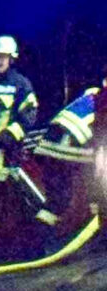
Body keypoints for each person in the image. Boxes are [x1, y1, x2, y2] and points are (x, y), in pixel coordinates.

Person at [0, 33, 53, 238]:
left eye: (4, 57)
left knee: (2, 196)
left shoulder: (21, 85)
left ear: (12, 59)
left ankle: (5, 238)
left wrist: (8, 135)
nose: (0, 61)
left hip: (4, 153)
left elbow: (29, 115)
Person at [26, 55, 104, 234]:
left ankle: (39, 233)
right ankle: (94, 228)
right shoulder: (102, 100)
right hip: (74, 147)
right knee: (92, 187)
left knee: (58, 197)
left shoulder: (91, 94)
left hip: (50, 142)